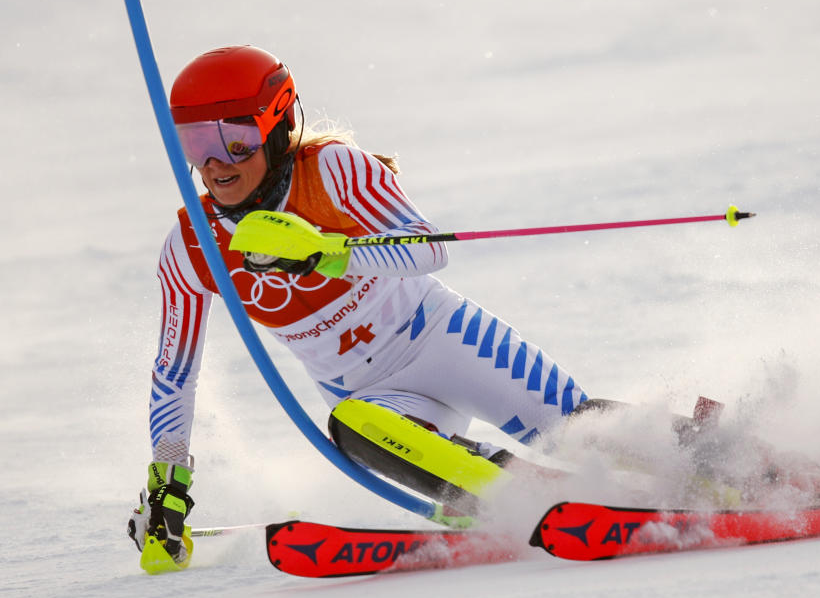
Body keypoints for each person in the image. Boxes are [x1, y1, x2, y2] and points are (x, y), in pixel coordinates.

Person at [127, 45, 593, 565]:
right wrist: (169, 485)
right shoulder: (191, 247)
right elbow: (175, 372)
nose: (215, 164)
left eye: (235, 141)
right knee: (352, 428)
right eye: (195, 144)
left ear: (277, 127)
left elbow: (430, 247)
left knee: (581, 433)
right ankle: (519, 495)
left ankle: (694, 453)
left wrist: (328, 255)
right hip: (373, 398)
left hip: (445, 340)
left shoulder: (332, 171)